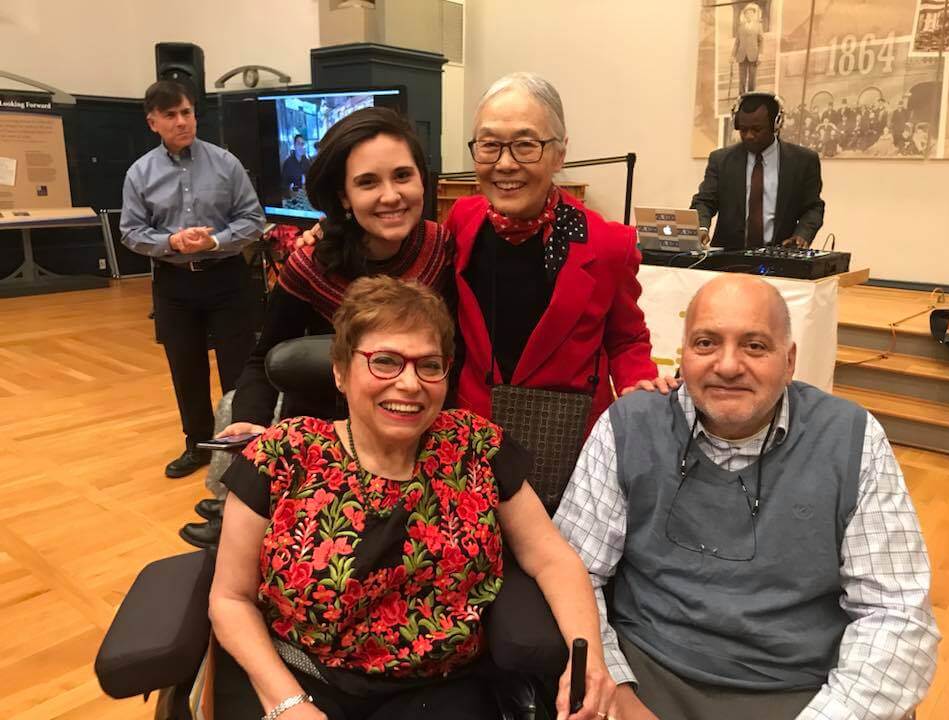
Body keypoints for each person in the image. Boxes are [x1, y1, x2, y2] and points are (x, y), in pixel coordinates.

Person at [209, 276, 618, 720]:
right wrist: (287, 704)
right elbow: (230, 599)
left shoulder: (476, 446)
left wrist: (591, 661)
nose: (409, 384)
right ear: (341, 370)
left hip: (441, 687)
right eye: (385, 361)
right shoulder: (283, 454)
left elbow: (551, 557)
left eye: (428, 365)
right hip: (302, 675)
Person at [555, 274, 940, 720]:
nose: (728, 365)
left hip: (803, 690)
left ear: (790, 360)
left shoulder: (852, 440)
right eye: (705, 343)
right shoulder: (629, 427)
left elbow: (896, 614)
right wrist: (618, 695)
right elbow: (574, 573)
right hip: (648, 677)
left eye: (755, 346)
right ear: (681, 353)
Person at [179, 107, 454, 549]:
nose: (391, 195)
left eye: (403, 176)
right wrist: (251, 422)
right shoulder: (312, 263)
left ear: (423, 180)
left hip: (414, 428)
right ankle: (237, 513)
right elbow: (261, 357)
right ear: (343, 196)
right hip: (328, 435)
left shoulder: (443, 248)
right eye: (367, 182)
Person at [446, 72, 668, 437]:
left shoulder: (608, 243)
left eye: (525, 145)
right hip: (474, 434)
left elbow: (626, 338)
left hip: (565, 438)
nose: (504, 164)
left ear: (559, 153)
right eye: (489, 145)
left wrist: (638, 386)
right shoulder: (462, 221)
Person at [121, 80, 265, 479]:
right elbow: (130, 231)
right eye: (171, 115)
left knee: (238, 369)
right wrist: (171, 241)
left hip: (227, 278)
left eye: (187, 112)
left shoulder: (226, 163)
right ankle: (198, 445)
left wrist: (215, 239)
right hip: (175, 284)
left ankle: (240, 450)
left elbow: (252, 220)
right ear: (153, 122)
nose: (182, 121)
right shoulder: (139, 173)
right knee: (186, 369)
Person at [691, 92, 825, 249]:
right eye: (743, 129)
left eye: (757, 129)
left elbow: (813, 207)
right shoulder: (721, 160)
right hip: (728, 259)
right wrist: (701, 228)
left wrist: (802, 234)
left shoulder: (803, 161)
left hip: (780, 256)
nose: (749, 136)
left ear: (776, 125)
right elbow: (704, 201)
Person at [732, 2, 763, 95]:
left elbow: (761, 41)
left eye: (751, 13)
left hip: (754, 55)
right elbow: (737, 42)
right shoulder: (740, 27)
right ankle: (741, 95)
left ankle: (751, 95)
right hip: (741, 56)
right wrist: (732, 55)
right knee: (742, 78)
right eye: (747, 13)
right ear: (744, 15)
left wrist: (760, 55)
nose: (749, 15)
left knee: (752, 78)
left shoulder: (758, 26)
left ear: (753, 14)